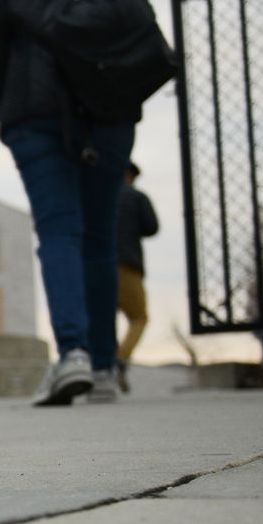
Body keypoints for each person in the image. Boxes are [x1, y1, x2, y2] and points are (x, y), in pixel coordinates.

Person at [0, 0, 153, 406]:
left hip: (35, 116)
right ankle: (103, 368)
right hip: (106, 111)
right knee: (100, 236)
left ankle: (73, 354)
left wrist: (12, 121)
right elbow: (136, 23)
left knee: (58, 231)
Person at [115, 162, 159, 392]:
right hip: (128, 264)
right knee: (139, 318)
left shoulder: (97, 195)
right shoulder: (136, 197)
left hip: (97, 266)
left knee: (102, 318)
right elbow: (152, 227)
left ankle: (103, 362)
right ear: (130, 176)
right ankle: (120, 359)